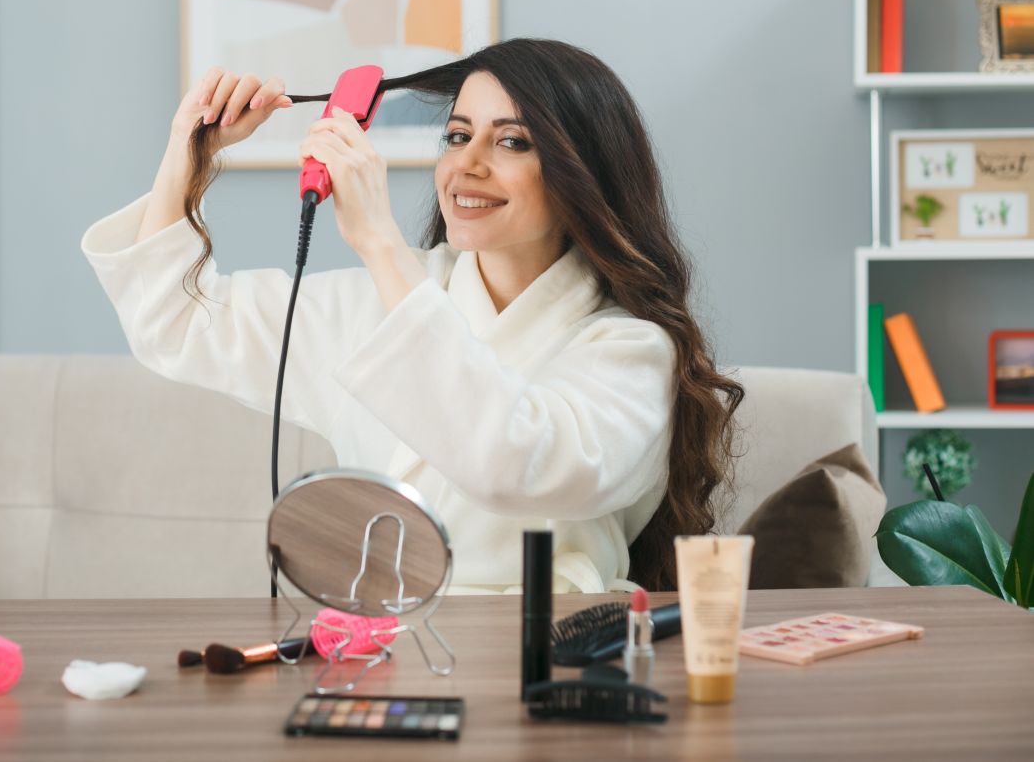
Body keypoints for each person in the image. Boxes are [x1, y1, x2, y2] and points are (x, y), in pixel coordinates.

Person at [81, 38, 743, 593]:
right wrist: (188, 158)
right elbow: (176, 322)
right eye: (458, 135)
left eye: (512, 141)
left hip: (552, 656)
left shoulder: (628, 350)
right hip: (386, 652)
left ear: (581, 173)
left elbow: (518, 463)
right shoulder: (373, 303)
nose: (468, 164)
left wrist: (379, 241)